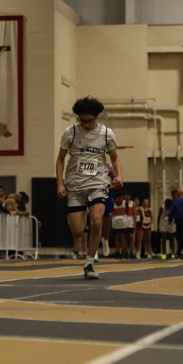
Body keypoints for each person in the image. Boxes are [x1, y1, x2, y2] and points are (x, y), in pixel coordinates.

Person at [55, 96, 123, 280]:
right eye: (82, 121)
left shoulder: (107, 134)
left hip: (98, 183)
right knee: (77, 232)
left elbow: (115, 158)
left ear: (97, 117)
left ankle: (89, 263)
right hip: (75, 185)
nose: (85, 125)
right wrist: (60, 183)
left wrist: (119, 176)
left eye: (90, 121)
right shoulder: (70, 133)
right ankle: (81, 215)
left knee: (97, 222)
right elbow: (60, 159)